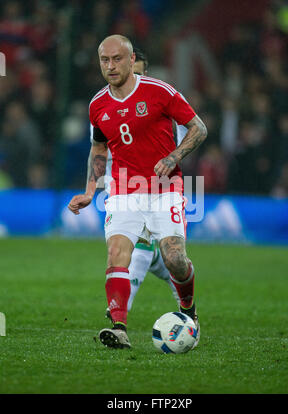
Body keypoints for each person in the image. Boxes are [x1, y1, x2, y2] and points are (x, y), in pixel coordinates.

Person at [68, 34, 207, 349]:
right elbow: (99, 148)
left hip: (164, 186)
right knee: (117, 253)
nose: (111, 66)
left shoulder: (160, 92)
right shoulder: (97, 105)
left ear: (132, 60)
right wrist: (91, 190)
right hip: (123, 190)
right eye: (105, 60)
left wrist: (173, 156)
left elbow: (199, 127)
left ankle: (188, 311)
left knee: (174, 258)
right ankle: (119, 328)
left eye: (117, 59)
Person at [97, 48, 180, 320]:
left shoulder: (158, 104)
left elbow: (172, 148)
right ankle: (122, 313)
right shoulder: (103, 106)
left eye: (141, 72)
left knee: (141, 246)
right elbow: (98, 149)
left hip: (155, 186)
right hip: (118, 186)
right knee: (125, 249)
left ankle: (118, 316)